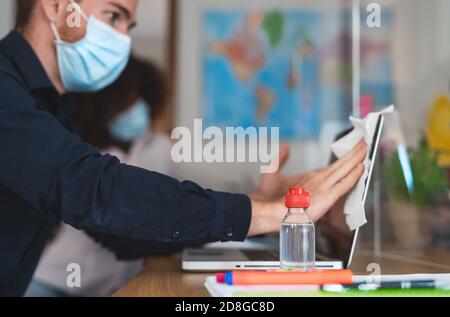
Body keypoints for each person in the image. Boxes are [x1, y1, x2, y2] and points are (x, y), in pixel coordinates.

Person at [0, 0, 366, 297]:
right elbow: (95, 189)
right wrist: (275, 213)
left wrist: (256, 201)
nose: (123, 42)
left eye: (129, 26)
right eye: (113, 16)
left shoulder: (55, 110)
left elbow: (118, 232)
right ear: (55, 5)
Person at [25, 56, 175, 297]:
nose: (130, 108)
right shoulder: (84, 153)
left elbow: (167, 211)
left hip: (116, 286)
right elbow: (119, 229)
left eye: (136, 99)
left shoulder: (162, 149)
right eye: (123, 102)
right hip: (57, 282)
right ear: (103, 105)